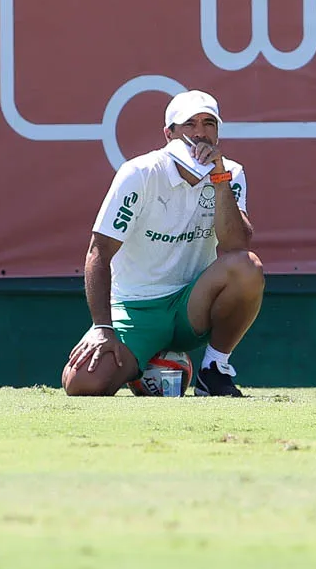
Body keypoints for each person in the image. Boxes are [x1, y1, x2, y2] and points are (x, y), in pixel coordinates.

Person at [61, 90, 265, 397]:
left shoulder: (230, 172)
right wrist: (102, 327)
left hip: (192, 307)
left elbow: (236, 244)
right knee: (82, 384)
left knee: (246, 266)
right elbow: (98, 252)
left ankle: (214, 370)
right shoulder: (140, 173)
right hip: (136, 308)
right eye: (189, 124)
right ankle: (147, 364)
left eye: (209, 123)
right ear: (168, 133)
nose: (200, 133)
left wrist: (219, 178)